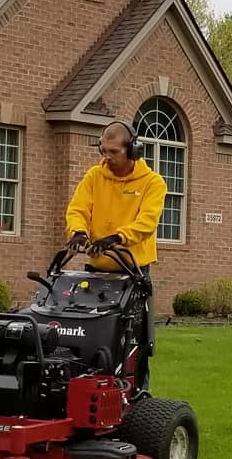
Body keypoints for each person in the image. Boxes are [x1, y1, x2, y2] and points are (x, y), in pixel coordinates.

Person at [65, 120, 167, 392]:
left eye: (113, 152)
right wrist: (78, 232)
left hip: (133, 274)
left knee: (136, 342)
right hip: (96, 271)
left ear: (133, 150)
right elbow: (78, 208)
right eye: (104, 150)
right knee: (90, 336)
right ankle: (91, 391)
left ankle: (138, 397)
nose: (106, 157)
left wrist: (117, 238)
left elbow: (147, 223)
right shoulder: (94, 177)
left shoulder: (152, 183)